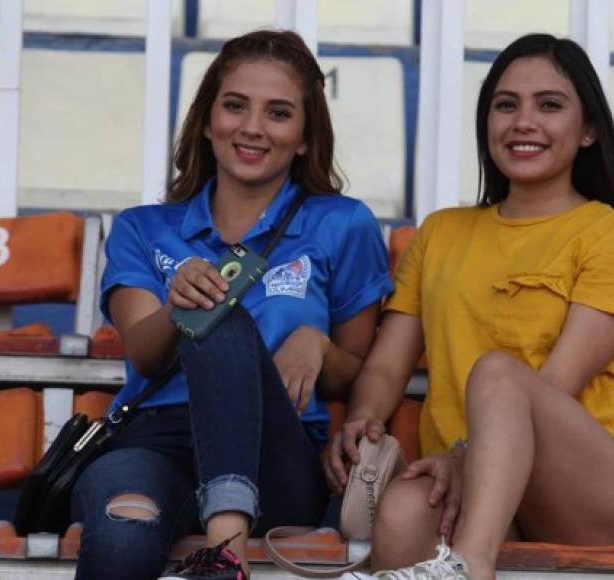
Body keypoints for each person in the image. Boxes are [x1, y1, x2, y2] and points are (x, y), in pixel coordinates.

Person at [326, 33, 614, 580]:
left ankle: (470, 566)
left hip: (594, 491)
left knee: (499, 374)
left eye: (549, 105)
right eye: (506, 105)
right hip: (467, 483)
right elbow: (388, 363)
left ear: (589, 130)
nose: (523, 122)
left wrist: (465, 456)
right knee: (404, 510)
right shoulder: (441, 233)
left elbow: (556, 381)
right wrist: (364, 419)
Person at [71, 30, 393, 580]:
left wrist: (314, 343)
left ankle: (225, 555)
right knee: (123, 531)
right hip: (157, 439)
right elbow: (145, 357)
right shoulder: (143, 229)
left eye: (279, 113)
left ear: (305, 138)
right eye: (235, 105)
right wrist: (179, 308)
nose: (251, 127)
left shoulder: (342, 223)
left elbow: (350, 376)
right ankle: (223, 561)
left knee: (221, 318)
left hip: (276, 452)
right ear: (205, 119)